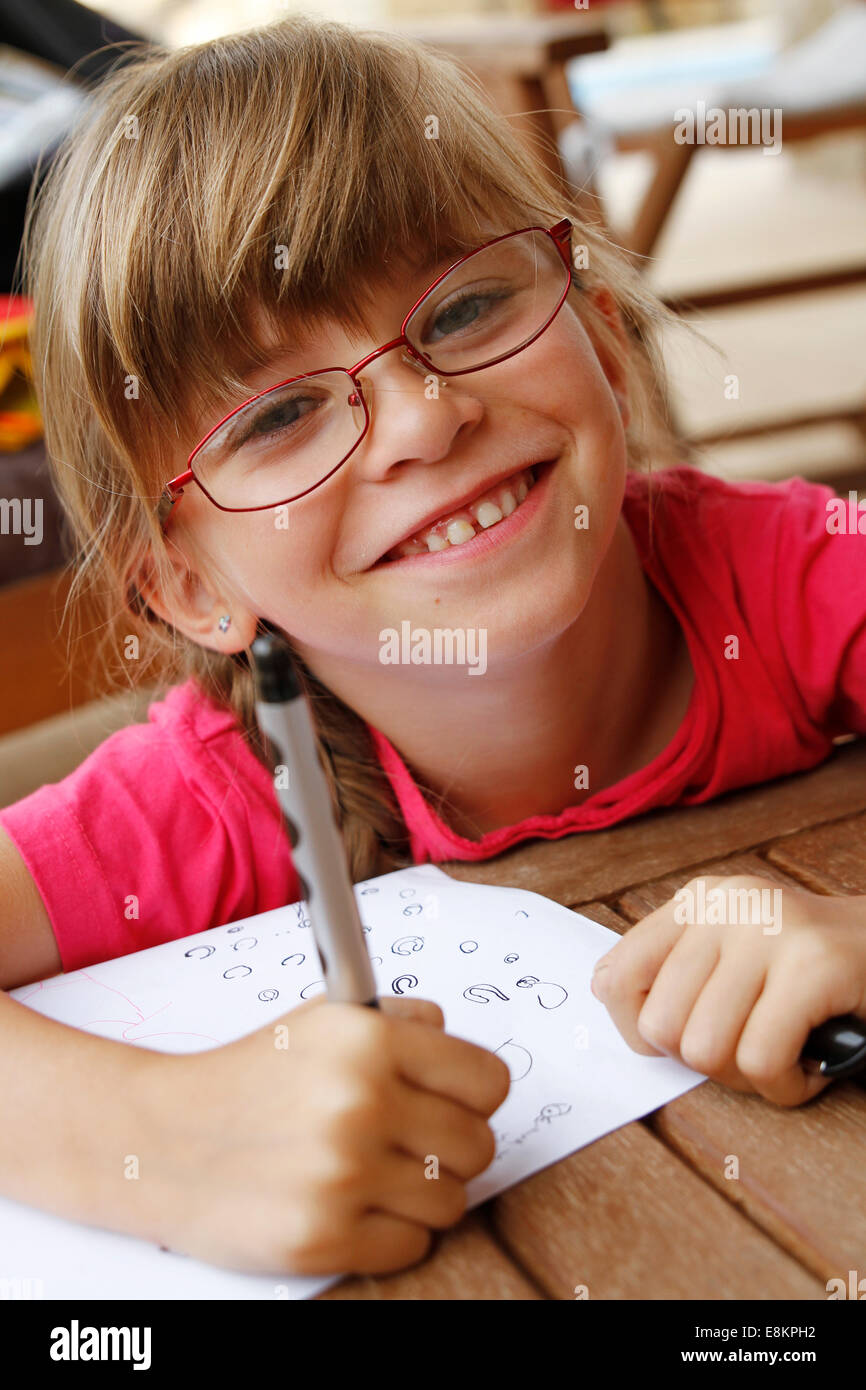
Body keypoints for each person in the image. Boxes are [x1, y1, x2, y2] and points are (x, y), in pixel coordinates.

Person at [1, 16, 864, 1278]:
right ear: (189, 588)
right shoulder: (210, 797)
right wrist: (153, 1137)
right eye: (282, 413)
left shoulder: (791, 568)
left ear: (603, 337)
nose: (419, 416)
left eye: (462, 309)